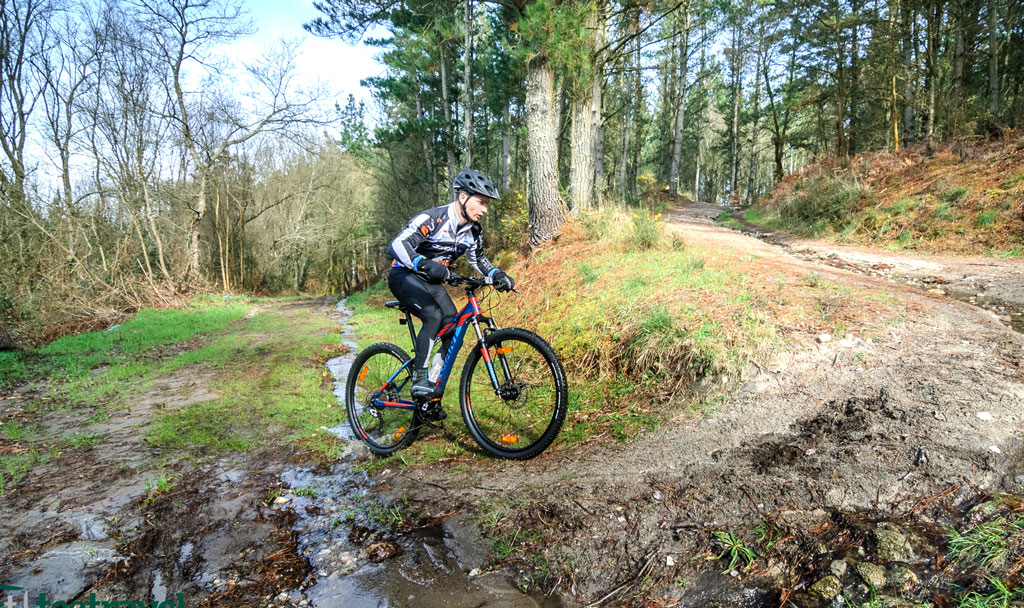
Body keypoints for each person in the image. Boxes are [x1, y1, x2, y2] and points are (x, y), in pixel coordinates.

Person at [388, 168, 515, 400]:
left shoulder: (473, 231)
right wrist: (423, 263)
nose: (485, 210)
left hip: (431, 282)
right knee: (434, 315)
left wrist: (497, 274)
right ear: (463, 197)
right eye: (482, 202)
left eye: (487, 204)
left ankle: (431, 388)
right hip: (404, 276)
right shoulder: (433, 219)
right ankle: (419, 379)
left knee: (452, 327)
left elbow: (479, 260)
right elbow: (397, 245)